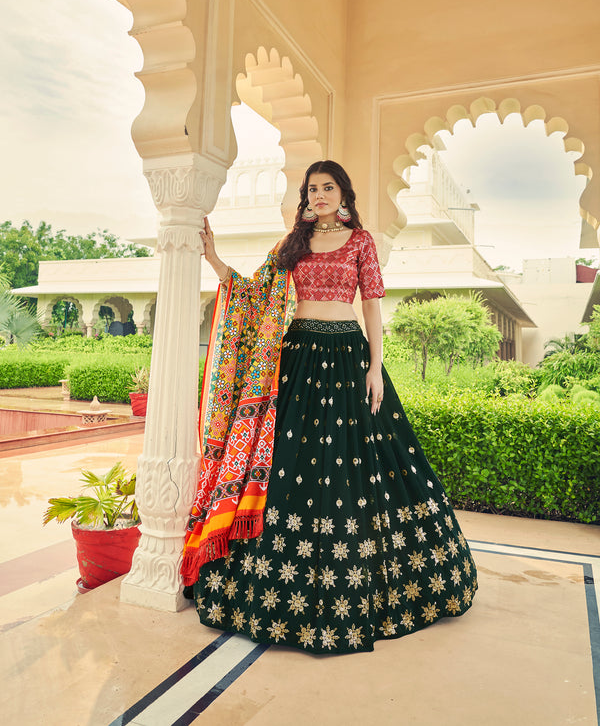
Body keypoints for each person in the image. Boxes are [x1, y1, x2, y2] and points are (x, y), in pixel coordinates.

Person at [182, 160, 477, 654]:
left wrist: (376, 367)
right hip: (297, 358)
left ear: (343, 194)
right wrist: (214, 258)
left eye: (328, 187)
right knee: (287, 464)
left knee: (365, 464)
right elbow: (254, 295)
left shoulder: (360, 241)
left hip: (347, 357)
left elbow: (372, 306)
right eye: (311, 189)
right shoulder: (292, 242)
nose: (318, 195)